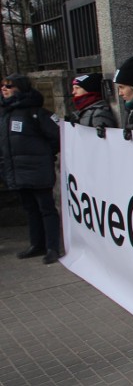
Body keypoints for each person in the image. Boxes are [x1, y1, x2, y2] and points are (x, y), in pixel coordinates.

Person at [0, 74, 62, 264]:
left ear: (21, 88)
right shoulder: (5, 113)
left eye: (9, 86)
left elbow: (56, 137)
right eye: (2, 86)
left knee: (46, 208)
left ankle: (53, 247)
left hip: (37, 169)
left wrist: (44, 155)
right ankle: (37, 244)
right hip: (16, 170)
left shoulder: (36, 112)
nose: (4, 89)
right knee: (30, 209)